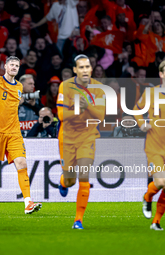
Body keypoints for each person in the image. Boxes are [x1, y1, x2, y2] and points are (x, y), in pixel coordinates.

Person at [0, 39, 42, 214]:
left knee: (22, 163)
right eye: (11, 65)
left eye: (17, 66)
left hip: (14, 132)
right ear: (5, 67)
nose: (14, 67)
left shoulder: (19, 86)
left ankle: (28, 202)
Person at [134, 60, 165, 231]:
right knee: (161, 181)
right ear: (161, 75)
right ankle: (147, 197)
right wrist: (142, 124)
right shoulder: (150, 93)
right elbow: (137, 109)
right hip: (154, 144)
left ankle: (156, 222)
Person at [57, 54, 105, 229]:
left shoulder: (99, 88)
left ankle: (78, 220)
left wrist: (88, 106)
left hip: (88, 137)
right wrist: (79, 109)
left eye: (87, 67)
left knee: (84, 175)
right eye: (81, 67)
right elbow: (61, 115)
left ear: (91, 69)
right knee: (70, 180)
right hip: (67, 138)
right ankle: (63, 182)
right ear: (75, 70)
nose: (85, 70)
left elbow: (100, 116)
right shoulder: (65, 86)